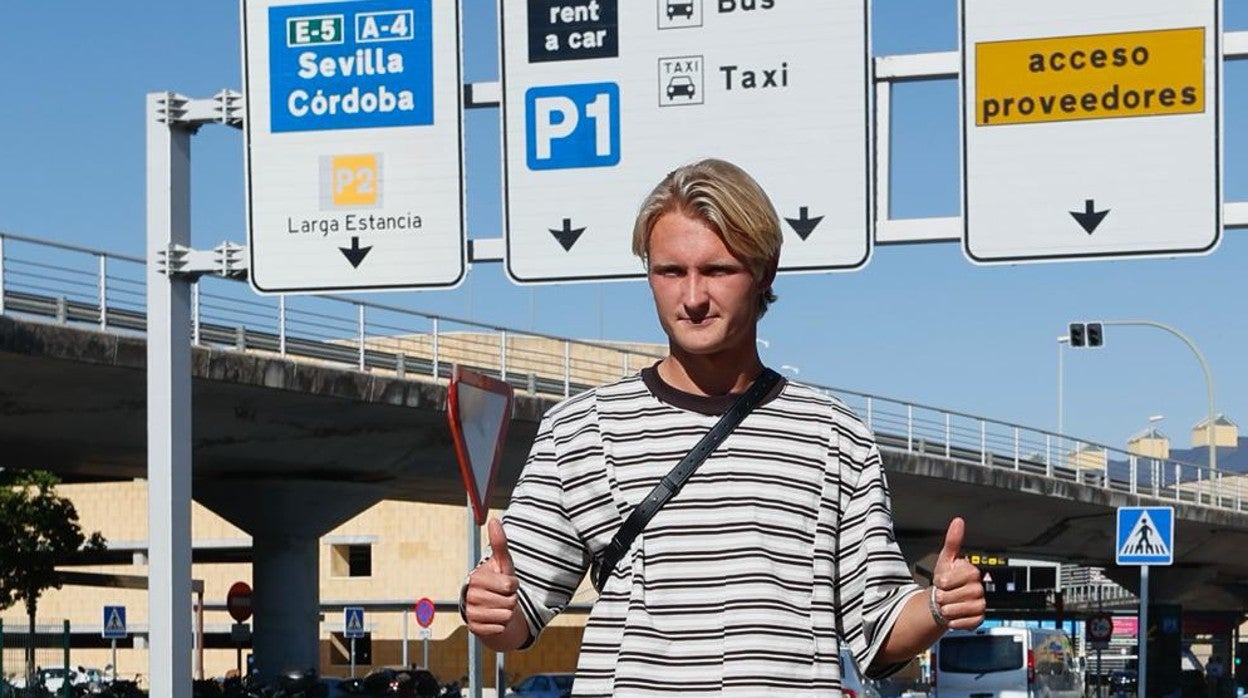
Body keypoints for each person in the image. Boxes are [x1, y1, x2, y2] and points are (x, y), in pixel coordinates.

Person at [462, 158, 985, 695]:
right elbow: (517, 609)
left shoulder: (835, 436)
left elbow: (879, 629)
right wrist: (492, 610)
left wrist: (939, 605)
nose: (692, 298)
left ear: (765, 273)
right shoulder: (581, 428)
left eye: (717, 271)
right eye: (670, 272)